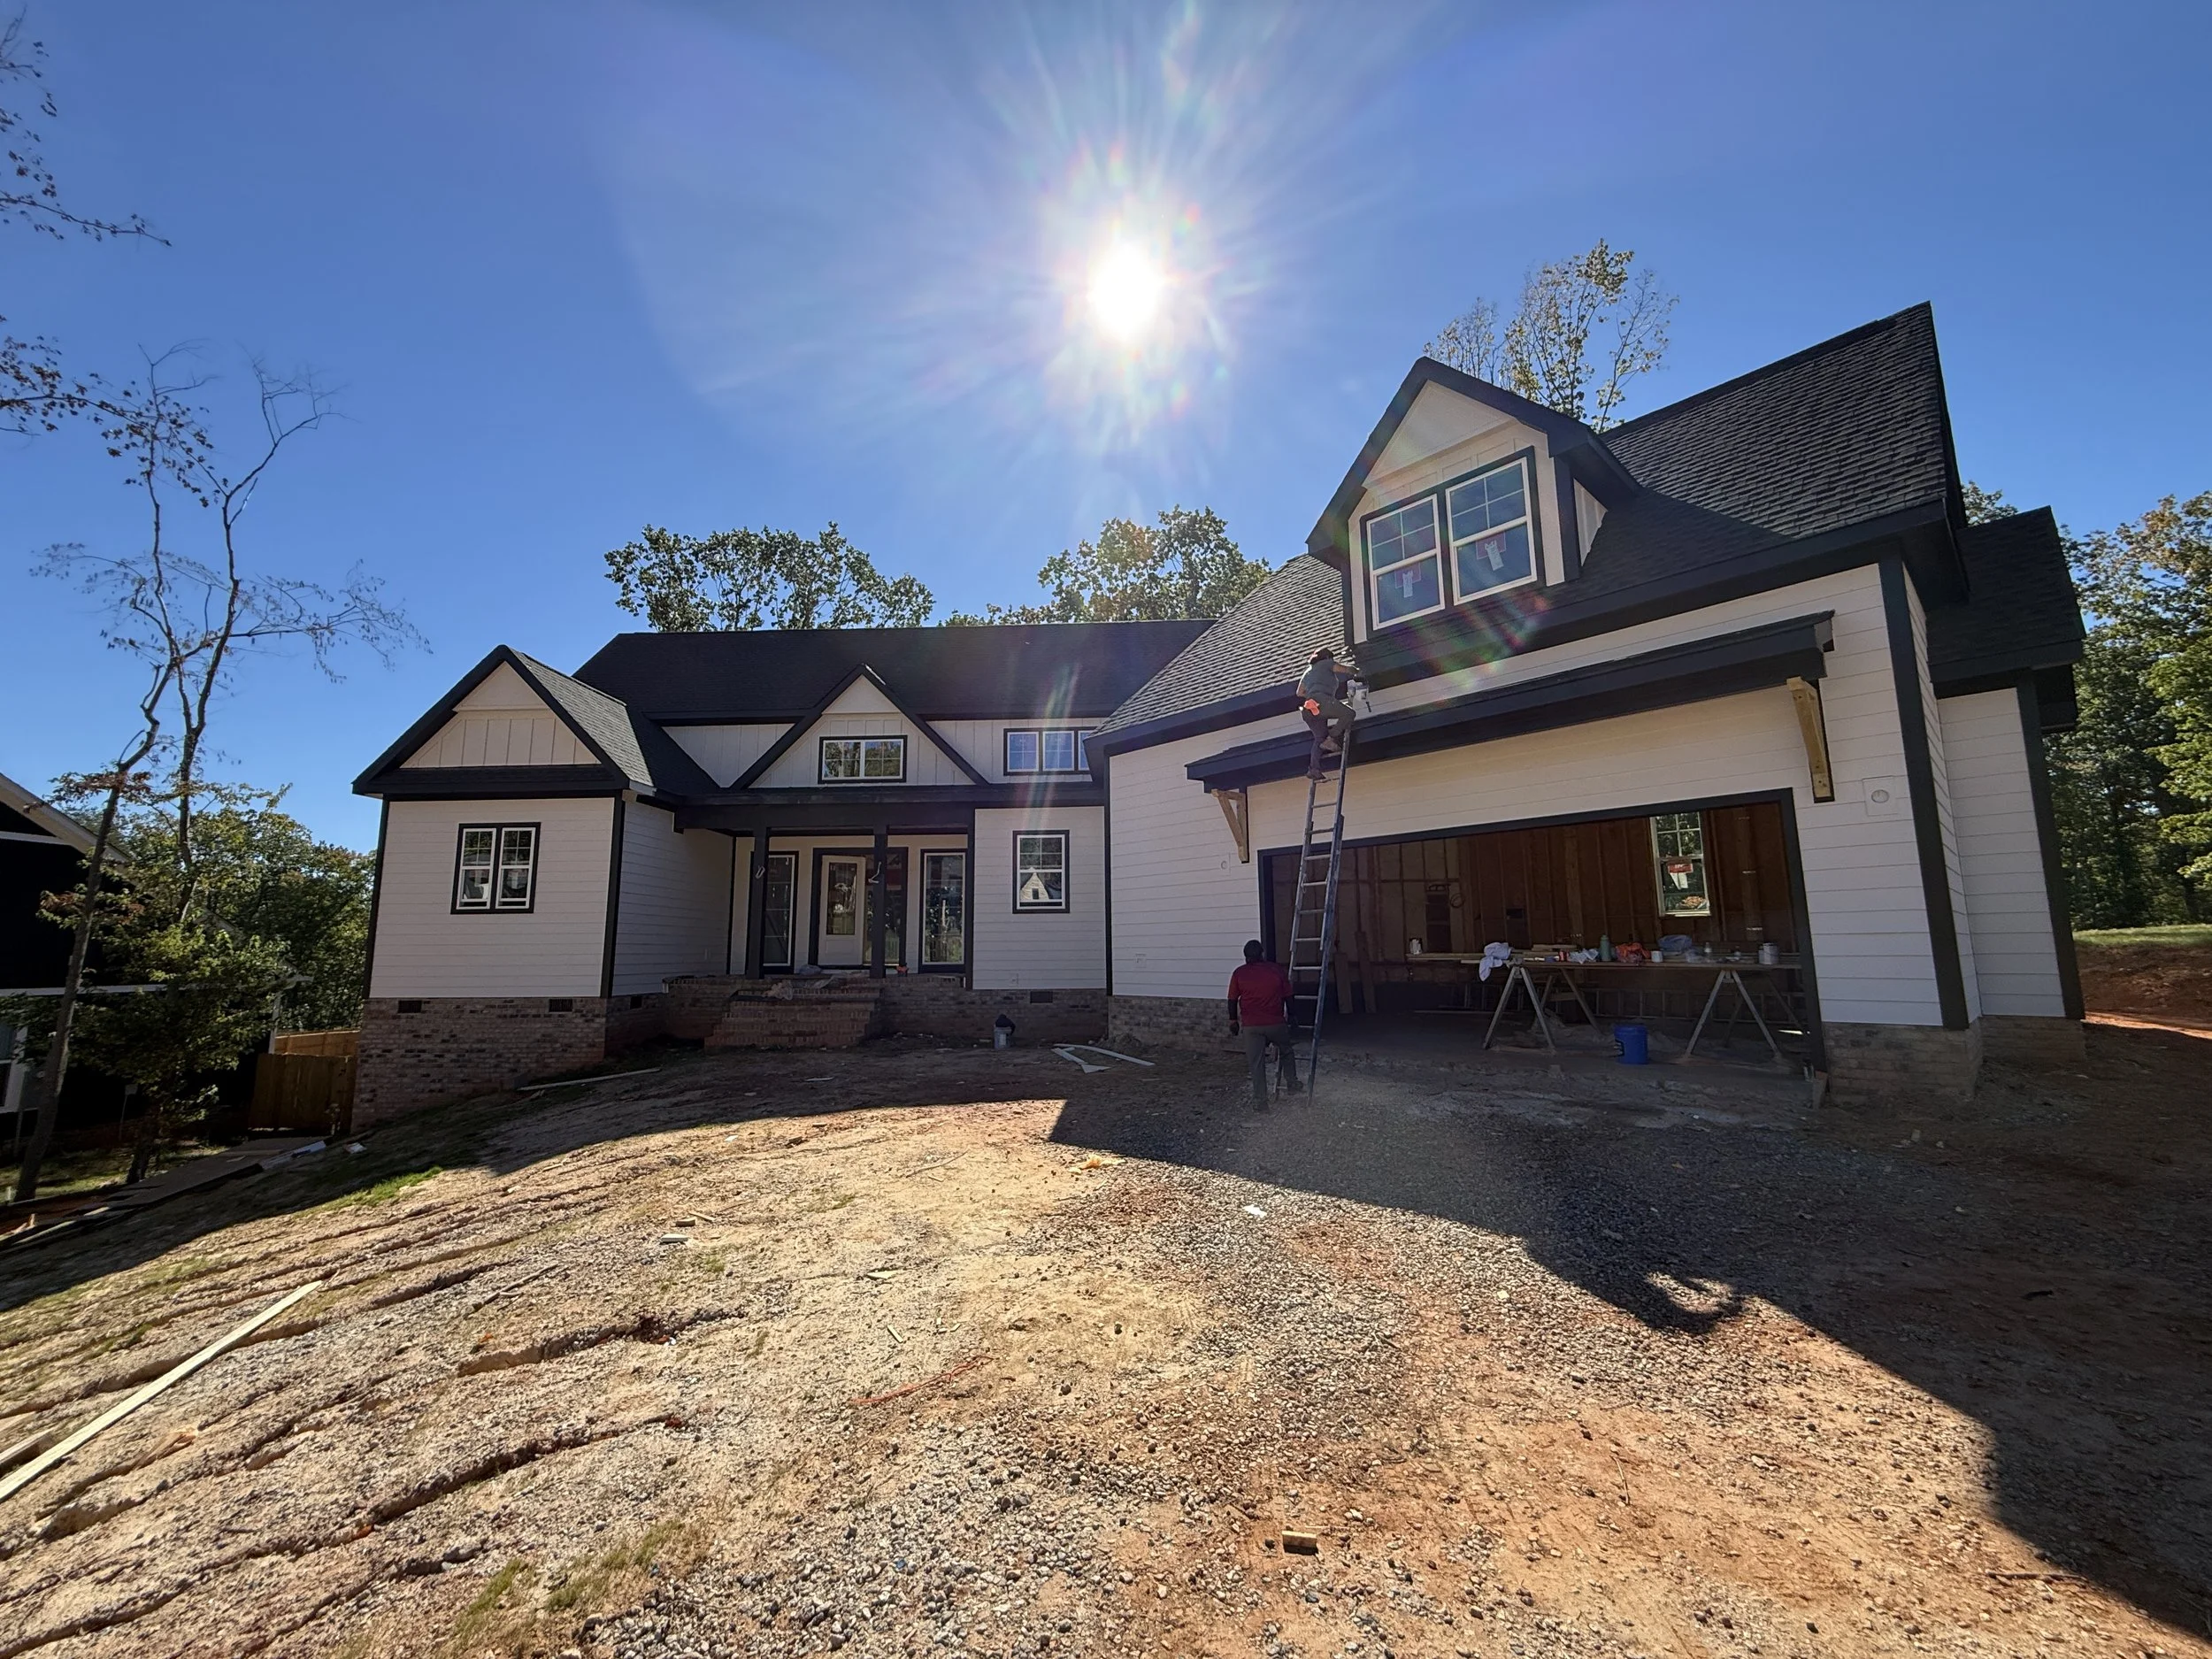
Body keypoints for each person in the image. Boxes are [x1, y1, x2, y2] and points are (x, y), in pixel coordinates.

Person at [1227, 939, 1299, 1109]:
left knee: (1256, 1063)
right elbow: (1288, 996)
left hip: (1251, 1026)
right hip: (1276, 1023)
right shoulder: (1276, 970)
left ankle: (1261, 1101)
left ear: (1245, 956)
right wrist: (1293, 1015)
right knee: (1287, 1050)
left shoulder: (1239, 973)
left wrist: (1233, 1021)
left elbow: (1232, 999)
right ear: (1262, 954)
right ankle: (1292, 1083)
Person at [1298, 647, 1356, 781]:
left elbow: (1299, 692)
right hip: (1322, 702)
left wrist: (1313, 694)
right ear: (1328, 657)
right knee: (1349, 714)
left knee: (1320, 739)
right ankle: (1332, 737)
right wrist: (1356, 670)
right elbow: (1344, 669)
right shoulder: (1326, 663)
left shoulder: (1308, 671)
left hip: (1309, 708)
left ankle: (1314, 769)